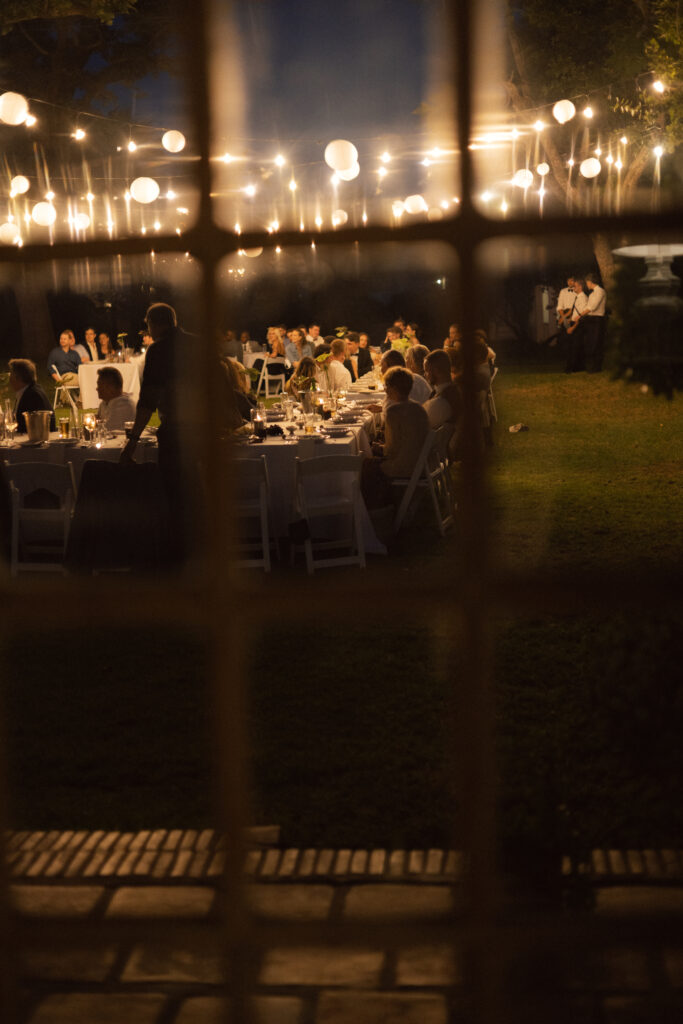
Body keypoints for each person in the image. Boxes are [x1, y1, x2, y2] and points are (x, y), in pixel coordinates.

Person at [120, 302, 200, 564]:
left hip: (176, 431)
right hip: (204, 429)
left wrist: (132, 441)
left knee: (176, 497)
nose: (149, 331)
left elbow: (148, 399)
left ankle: (180, 557)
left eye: (149, 325)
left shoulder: (158, 350)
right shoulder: (197, 343)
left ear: (155, 324)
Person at [361, 366, 430, 508]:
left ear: (392, 388)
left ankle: (378, 510)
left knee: (365, 465)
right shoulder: (419, 408)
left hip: (405, 466)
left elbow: (391, 451)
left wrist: (376, 447)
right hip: (423, 464)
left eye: (386, 386)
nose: (385, 390)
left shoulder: (394, 412)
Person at [8, 358, 54, 434]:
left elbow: (28, 428)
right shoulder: (28, 391)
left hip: (35, 442)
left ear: (18, 377)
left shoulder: (33, 395)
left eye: (11, 374)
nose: (9, 379)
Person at [423, 349, 463, 428]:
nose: (424, 375)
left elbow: (421, 427)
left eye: (426, 371)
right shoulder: (455, 389)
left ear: (436, 371)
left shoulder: (440, 403)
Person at [96, 366, 137, 431]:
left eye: (100, 385)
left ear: (111, 387)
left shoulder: (124, 405)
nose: (97, 389)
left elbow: (106, 430)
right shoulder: (104, 403)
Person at [565, 278, 589, 372]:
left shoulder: (583, 298)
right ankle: (577, 367)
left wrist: (573, 327)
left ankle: (573, 368)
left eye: (575, 285)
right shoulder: (578, 297)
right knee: (575, 346)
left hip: (578, 324)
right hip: (574, 323)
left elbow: (582, 315)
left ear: (580, 287)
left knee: (575, 347)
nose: (573, 287)